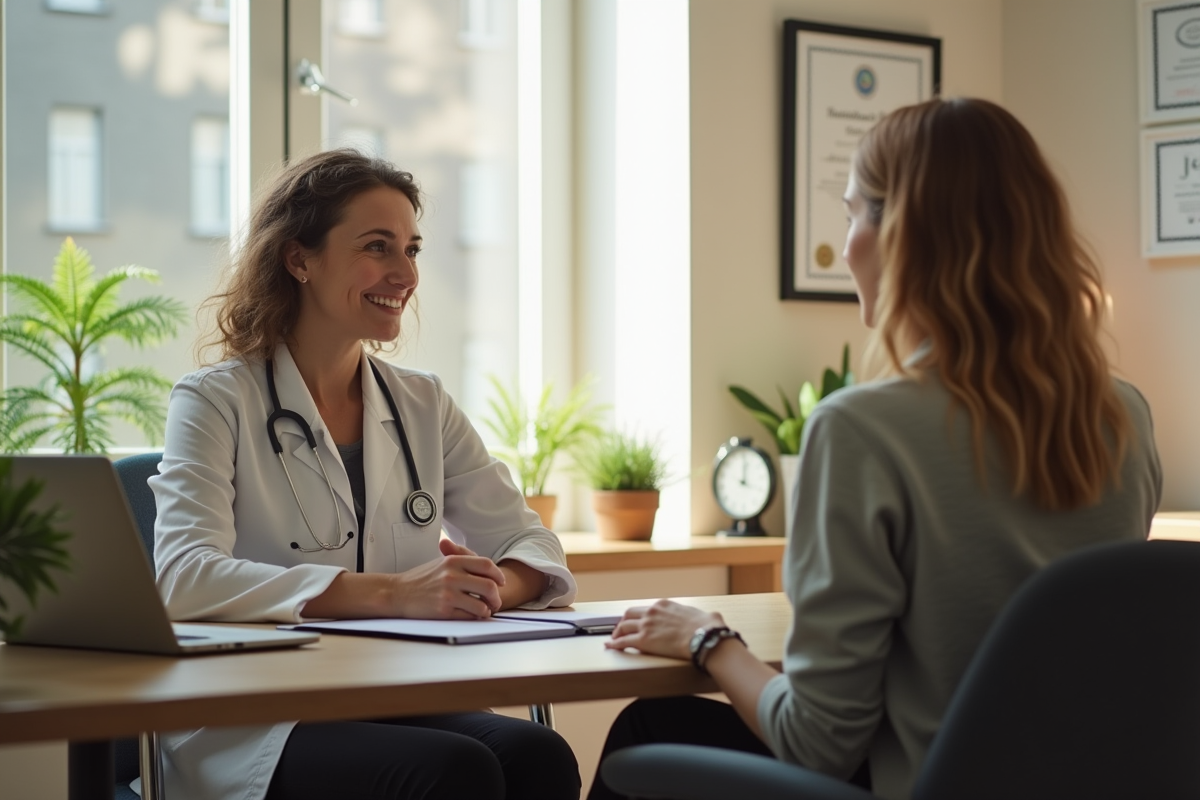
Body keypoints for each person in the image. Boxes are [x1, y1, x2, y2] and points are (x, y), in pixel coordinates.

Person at [587, 97, 1163, 800]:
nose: (848, 241)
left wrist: (711, 640)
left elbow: (818, 744)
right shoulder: (1124, 415)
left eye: (854, 212)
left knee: (650, 731)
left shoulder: (861, 430)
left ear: (904, 237)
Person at [149, 149, 582, 800]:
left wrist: (483, 588)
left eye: (412, 249)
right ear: (298, 259)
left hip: (394, 690)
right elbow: (181, 576)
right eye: (378, 247)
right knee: (454, 774)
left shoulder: (422, 402)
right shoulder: (214, 400)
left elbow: (532, 546)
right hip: (258, 714)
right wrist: (393, 594)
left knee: (536, 753)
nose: (404, 273)